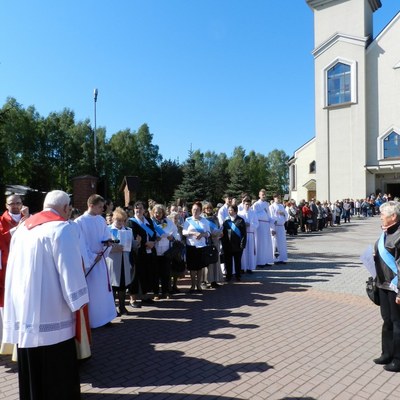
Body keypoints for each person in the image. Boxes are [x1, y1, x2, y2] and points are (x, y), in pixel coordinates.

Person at [2, 190, 89, 400]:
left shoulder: (23, 228)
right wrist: (80, 301)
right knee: (56, 376)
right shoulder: (62, 229)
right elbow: (71, 273)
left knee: (33, 376)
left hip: (24, 313)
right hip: (53, 315)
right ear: (66, 208)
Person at [75, 194, 117, 328]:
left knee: (103, 291)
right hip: (90, 262)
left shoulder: (101, 220)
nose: (102, 209)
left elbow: (105, 235)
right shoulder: (79, 222)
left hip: (101, 259)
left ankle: (105, 318)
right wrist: (93, 257)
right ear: (91, 206)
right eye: (99, 207)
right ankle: (93, 321)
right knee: (92, 292)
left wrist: (108, 243)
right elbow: (81, 243)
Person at [373, 201, 400, 372]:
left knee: (398, 323)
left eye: (383, 214)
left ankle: (398, 359)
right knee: (387, 320)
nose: (380, 217)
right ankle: (387, 353)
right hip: (383, 285)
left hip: (395, 286)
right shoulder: (385, 232)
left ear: (393, 217)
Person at [127, 201, 158, 307]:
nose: (138, 210)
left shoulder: (148, 220)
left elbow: (153, 233)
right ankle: (133, 299)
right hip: (138, 252)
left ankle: (144, 296)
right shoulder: (131, 222)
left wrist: (152, 242)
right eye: (136, 208)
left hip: (149, 251)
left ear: (144, 210)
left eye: (140, 208)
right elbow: (135, 237)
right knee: (135, 275)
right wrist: (146, 243)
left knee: (147, 274)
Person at [106, 207, 136, 316]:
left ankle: (122, 307)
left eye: (123, 220)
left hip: (125, 260)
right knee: (113, 286)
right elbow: (103, 246)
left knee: (123, 285)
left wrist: (136, 243)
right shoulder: (107, 230)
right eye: (118, 220)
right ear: (113, 219)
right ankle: (112, 309)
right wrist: (114, 248)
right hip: (113, 261)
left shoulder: (129, 230)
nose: (120, 223)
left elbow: (132, 245)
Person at [152, 204, 179, 300]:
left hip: (166, 251)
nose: (157, 214)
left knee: (166, 273)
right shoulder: (151, 222)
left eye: (159, 212)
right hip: (154, 251)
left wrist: (173, 237)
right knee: (155, 273)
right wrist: (155, 238)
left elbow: (176, 233)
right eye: (155, 212)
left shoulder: (168, 222)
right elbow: (147, 235)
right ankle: (156, 293)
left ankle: (166, 291)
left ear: (163, 212)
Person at [182, 201, 211, 292]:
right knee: (192, 267)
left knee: (199, 267)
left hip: (201, 246)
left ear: (201, 211)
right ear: (191, 210)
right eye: (194, 209)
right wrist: (192, 233)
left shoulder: (204, 221)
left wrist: (202, 235)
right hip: (191, 246)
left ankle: (198, 285)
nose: (195, 211)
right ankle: (192, 285)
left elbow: (209, 233)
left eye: (197, 210)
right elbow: (184, 232)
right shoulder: (188, 220)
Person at [221, 204, 247, 281]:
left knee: (237, 261)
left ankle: (238, 276)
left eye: (231, 210)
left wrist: (242, 244)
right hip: (228, 245)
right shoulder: (226, 221)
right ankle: (228, 275)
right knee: (228, 261)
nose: (229, 212)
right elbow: (223, 233)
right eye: (228, 210)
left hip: (238, 245)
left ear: (235, 211)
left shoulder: (241, 220)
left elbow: (244, 234)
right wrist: (223, 244)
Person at [202, 202, 224, 288]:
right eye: (207, 208)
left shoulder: (215, 218)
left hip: (215, 241)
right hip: (206, 242)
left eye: (210, 208)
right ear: (204, 209)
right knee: (206, 262)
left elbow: (218, 227)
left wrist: (220, 233)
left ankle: (213, 280)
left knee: (215, 260)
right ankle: (204, 281)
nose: (208, 210)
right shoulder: (202, 219)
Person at [252, 189, 274, 267]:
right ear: (259, 195)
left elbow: (269, 215)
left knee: (267, 243)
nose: (264, 195)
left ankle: (266, 260)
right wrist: (263, 213)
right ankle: (260, 262)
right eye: (262, 194)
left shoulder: (267, 204)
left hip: (266, 225)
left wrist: (272, 223)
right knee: (260, 243)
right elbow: (255, 215)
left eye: (264, 194)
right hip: (260, 225)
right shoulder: (256, 205)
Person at [238, 197, 259, 273]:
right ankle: (243, 267)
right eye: (246, 204)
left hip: (250, 234)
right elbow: (237, 224)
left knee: (250, 251)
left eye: (249, 204)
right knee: (243, 251)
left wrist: (250, 224)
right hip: (243, 235)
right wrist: (243, 225)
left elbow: (257, 224)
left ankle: (250, 267)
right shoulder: (240, 213)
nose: (247, 206)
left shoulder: (253, 213)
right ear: (243, 204)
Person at [269, 194, 288, 264]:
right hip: (275, 226)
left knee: (282, 243)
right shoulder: (271, 207)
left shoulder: (281, 206)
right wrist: (272, 229)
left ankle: (282, 258)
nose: (278, 199)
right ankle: (275, 259)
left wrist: (283, 213)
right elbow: (271, 218)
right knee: (275, 243)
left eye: (279, 198)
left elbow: (286, 215)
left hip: (281, 226)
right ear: (274, 198)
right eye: (277, 198)